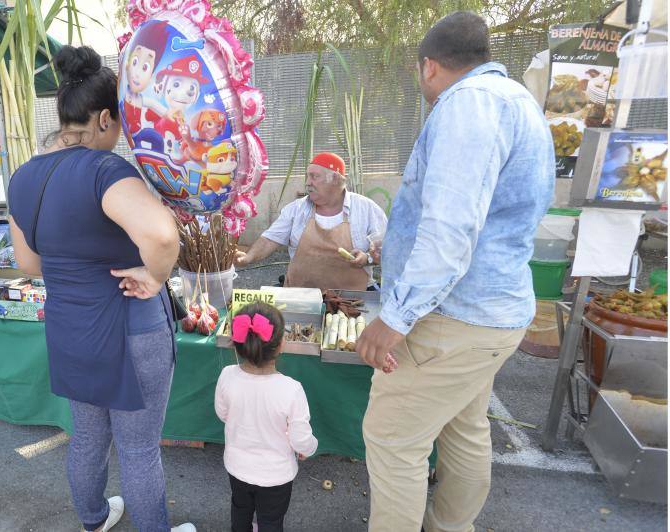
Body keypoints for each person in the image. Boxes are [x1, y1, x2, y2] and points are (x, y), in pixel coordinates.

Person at [355, 12, 554, 532]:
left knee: (392, 438)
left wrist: (395, 317)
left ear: (429, 67)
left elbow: (450, 229)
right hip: (493, 314)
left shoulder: (469, 104)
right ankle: (451, 525)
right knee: (464, 427)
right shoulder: (519, 101)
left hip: (451, 318)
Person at [7, 45, 194, 532]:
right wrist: (155, 276)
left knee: (88, 437)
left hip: (70, 328)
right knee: (136, 446)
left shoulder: (23, 177)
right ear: (107, 118)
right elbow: (161, 236)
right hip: (129, 327)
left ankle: (93, 519)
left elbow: (28, 262)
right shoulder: (105, 169)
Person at [215, 302, 318, 532]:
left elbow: (222, 413)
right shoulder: (291, 389)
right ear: (281, 344)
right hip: (276, 476)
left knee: (240, 511)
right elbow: (301, 440)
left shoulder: (227, 376)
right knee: (271, 521)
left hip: (237, 467)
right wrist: (309, 447)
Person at [235, 153, 387, 290]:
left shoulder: (366, 209)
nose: (308, 182)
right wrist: (248, 257)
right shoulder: (296, 209)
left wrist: (367, 258)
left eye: (314, 177)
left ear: (335, 178)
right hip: (302, 296)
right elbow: (270, 239)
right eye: (307, 176)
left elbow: (387, 249)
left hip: (353, 298)